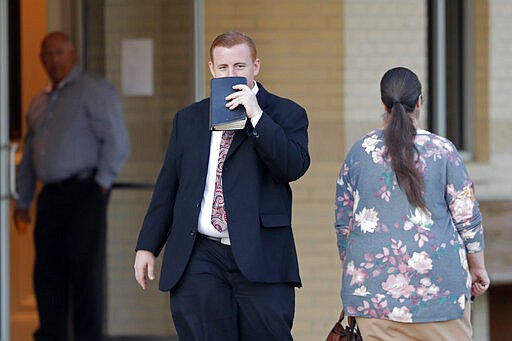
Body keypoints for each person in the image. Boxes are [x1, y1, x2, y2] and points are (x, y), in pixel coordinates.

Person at [134, 31, 310, 341]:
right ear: (212, 70)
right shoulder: (188, 119)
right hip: (200, 252)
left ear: (256, 66)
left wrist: (257, 116)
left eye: (240, 66)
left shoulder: (286, 113)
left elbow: (292, 166)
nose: (232, 75)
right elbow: (169, 187)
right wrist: (148, 245)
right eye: (224, 68)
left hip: (260, 253)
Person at [334, 67, 489, 340]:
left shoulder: (360, 152)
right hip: (441, 293)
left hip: (373, 294)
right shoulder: (443, 151)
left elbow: (344, 224)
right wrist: (478, 268)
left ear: (383, 104)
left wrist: (358, 273)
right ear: (419, 102)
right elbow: (467, 217)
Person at [14, 31, 130, 341]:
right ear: (41, 59)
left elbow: (117, 142)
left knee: (84, 275)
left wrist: (101, 186)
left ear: (73, 55)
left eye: (59, 52)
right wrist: (23, 200)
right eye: (47, 54)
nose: (54, 60)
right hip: (49, 196)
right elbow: (28, 156)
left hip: (84, 194)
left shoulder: (94, 91)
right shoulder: (39, 102)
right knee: (47, 275)